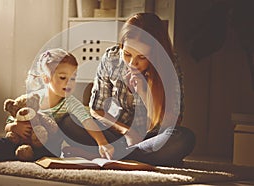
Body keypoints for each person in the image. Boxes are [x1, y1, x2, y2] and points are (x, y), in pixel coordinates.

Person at [60, 13, 196, 166]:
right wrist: (127, 132)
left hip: (151, 138)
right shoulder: (112, 59)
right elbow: (97, 110)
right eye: (127, 54)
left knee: (183, 138)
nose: (132, 63)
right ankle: (133, 154)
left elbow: (172, 123)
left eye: (142, 57)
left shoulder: (168, 65)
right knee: (69, 121)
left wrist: (145, 94)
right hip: (116, 133)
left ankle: (115, 154)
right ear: (121, 46)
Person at [0, 48, 114, 163]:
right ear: (46, 79)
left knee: (46, 151)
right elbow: (11, 120)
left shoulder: (70, 102)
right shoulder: (34, 98)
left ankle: (25, 155)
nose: (69, 83)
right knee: (6, 142)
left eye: (73, 78)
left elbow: (87, 121)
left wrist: (102, 142)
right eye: (63, 78)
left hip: (47, 145)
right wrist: (14, 127)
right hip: (22, 138)